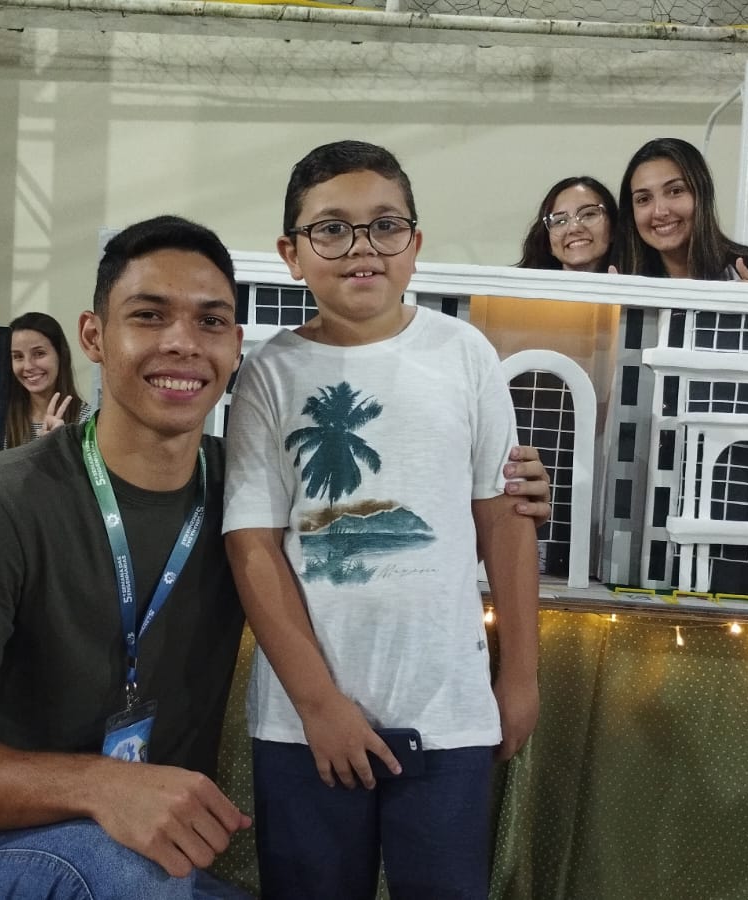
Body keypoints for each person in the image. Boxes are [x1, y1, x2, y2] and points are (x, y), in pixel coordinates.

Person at [0, 215, 553, 900]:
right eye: (149, 315)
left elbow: (392, 508)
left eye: (211, 321)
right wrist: (99, 785)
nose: (182, 342)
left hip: (142, 852)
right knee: (130, 876)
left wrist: (509, 488)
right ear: (93, 336)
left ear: (236, 347)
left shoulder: (245, 498)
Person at [223, 141, 541, 900]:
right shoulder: (268, 372)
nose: (362, 247)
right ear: (292, 254)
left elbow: (505, 519)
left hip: (448, 711)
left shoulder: (465, 354)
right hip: (304, 723)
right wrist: (318, 704)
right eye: (332, 229)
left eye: (385, 225)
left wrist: (521, 674)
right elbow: (253, 546)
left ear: (415, 244)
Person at [614, 137, 748, 284]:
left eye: (675, 191)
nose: (659, 211)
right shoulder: (626, 280)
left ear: (702, 194)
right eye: (643, 199)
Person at [7, 311, 90, 448]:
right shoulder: (0, 421)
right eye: (18, 356)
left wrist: (57, 448)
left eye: (39, 353)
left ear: (61, 355)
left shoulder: (87, 421)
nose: (28, 366)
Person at [515, 175, 622, 273]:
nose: (574, 228)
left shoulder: (632, 282)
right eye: (560, 221)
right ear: (548, 244)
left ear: (613, 228)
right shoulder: (518, 287)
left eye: (588, 214)